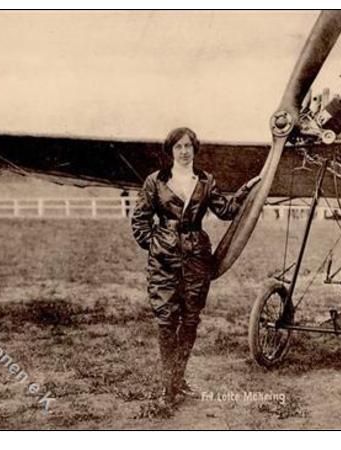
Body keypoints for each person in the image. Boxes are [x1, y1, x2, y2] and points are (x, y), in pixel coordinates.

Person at [130, 127, 260, 409]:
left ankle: (178, 381)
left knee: (190, 321)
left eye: (189, 146)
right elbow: (139, 221)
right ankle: (168, 388)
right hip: (163, 262)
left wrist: (247, 190)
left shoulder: (205, 180)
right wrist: (156, 245)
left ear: (195, 149)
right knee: (166, 322)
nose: (184, 151)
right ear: (170, 151)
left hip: (197, 259)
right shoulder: (155, 181)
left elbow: (225, 211)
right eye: (178, 146)